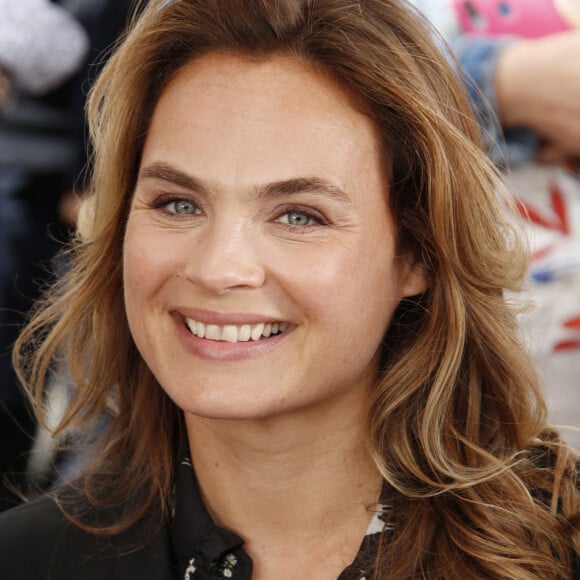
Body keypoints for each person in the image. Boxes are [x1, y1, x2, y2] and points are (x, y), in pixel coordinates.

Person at [0, 0, 578, 578]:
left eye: (299, 216)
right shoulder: (23, 559)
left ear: (417, 253)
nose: (217, 268)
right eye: (178, 204)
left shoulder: (558, 549)